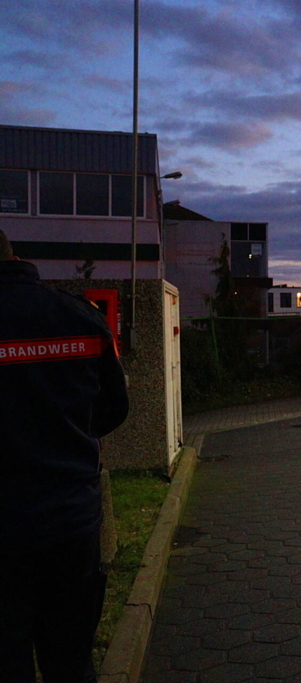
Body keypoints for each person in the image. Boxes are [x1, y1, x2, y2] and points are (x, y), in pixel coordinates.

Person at [0, 229, 130, 683]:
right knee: (71, 660)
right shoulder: (78, 314)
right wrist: (69, 438)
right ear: (14, 256)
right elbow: (116, 406)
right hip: (70, 519)